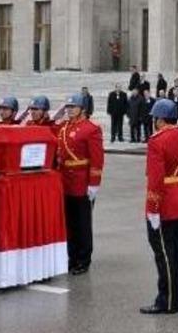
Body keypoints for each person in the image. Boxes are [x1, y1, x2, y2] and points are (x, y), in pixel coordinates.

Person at [140, 99, 178, 315]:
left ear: (160, 119)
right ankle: (176, 297)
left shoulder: (157, 141)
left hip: (164, 203)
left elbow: (155, 178)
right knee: (177, 252)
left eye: (155, 118)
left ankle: (167, 301)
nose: (154, 122)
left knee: (164, 254)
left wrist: (152, 208)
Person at [57, 93, 105, 275]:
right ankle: (71, 256)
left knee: (82, 223)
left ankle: (83, 259)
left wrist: (94, 183)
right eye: (68, 107)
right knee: (68, 222)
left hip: (81, 181)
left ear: (82, 109)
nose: (69, 110)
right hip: (65, 180)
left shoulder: (91, 129)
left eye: (72, 107)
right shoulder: (64, 127)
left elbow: (97, 158)